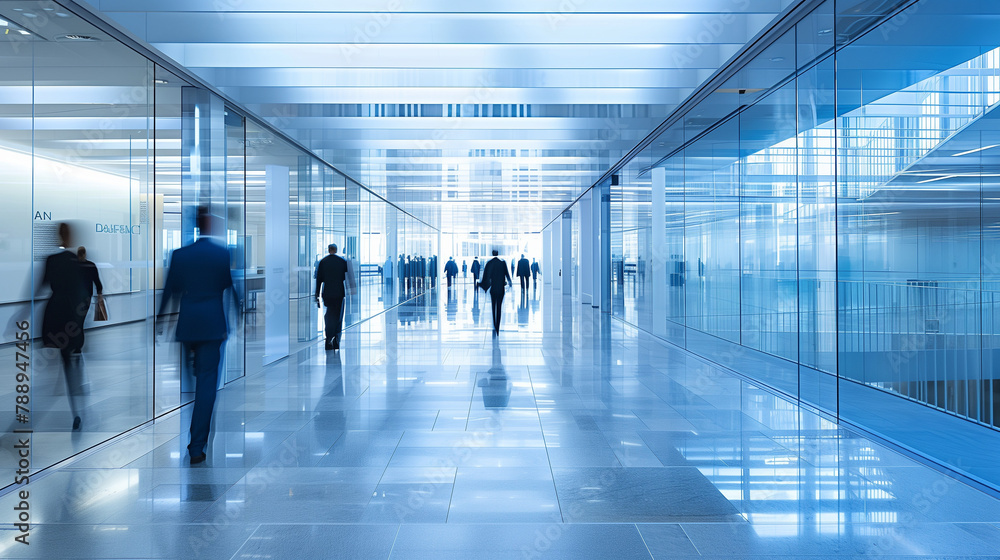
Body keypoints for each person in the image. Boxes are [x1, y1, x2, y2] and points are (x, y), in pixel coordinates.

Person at [156, 208, 239, 464]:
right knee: (207, 384)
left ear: (194, 224)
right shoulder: (221, 254)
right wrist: (239, 313)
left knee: (193, 382)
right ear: (210, 225)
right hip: (213, 325)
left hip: (188, 324)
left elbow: (170, 289)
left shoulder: (180, 255)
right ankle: (197, 446)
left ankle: (194, 426)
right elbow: (229, 285)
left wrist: (161, 320)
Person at [40, 223, 89, 430]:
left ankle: (76, 407)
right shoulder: (78, 263)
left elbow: (40, 286)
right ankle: (77, 409)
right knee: (71, 361)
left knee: (65, 359)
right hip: (71, 316)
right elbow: (83, 295)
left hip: (54, 313)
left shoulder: (51, 261)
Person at [315, 243, 354, 350]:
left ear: (328, 250)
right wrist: (351, 291)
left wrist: (316, 294)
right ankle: (336, 339)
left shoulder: (323, 262)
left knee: (328, 315)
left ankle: (328, 339)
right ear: (336, 250)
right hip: (339, 293)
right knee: (338, 316)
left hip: (327, 292)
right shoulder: (342, 261)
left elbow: (319, 280)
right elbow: (347, 277)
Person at [480, 249, 512, 335]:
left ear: (492, 253)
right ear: (498, 254)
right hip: (501, 289)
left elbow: (486, 278)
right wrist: (510, 282)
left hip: (493, 289)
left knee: (493, 307)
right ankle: (498, 325)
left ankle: (494, 324)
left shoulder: (489, 263)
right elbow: (507, 274)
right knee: (499, 307)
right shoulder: (503, 263)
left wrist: (482, 285)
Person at [77, 246, 104, 321]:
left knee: (75, 317)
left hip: (75, 294)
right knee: (82, 316)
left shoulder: (74, 265)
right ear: (85, 254)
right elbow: (96, 280)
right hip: (87, 294)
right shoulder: (91, 265)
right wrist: (100, 293)